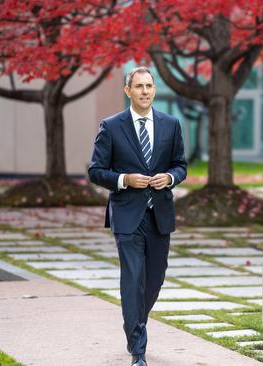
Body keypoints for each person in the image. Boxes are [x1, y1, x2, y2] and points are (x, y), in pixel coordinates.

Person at [88, 66, 187, 366]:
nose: (145, 91)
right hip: (127, 215)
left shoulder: (171, 125)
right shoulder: (111, 126)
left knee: (154, 279)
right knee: (133, 279)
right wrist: (124, 180)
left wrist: (169, 178)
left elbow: (180, 165)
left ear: (154, 90)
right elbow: (95, 170)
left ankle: (134, 321)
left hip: (160, 214)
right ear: (127, 91)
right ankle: (138, 351)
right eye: (139, 86)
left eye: (149, 86)